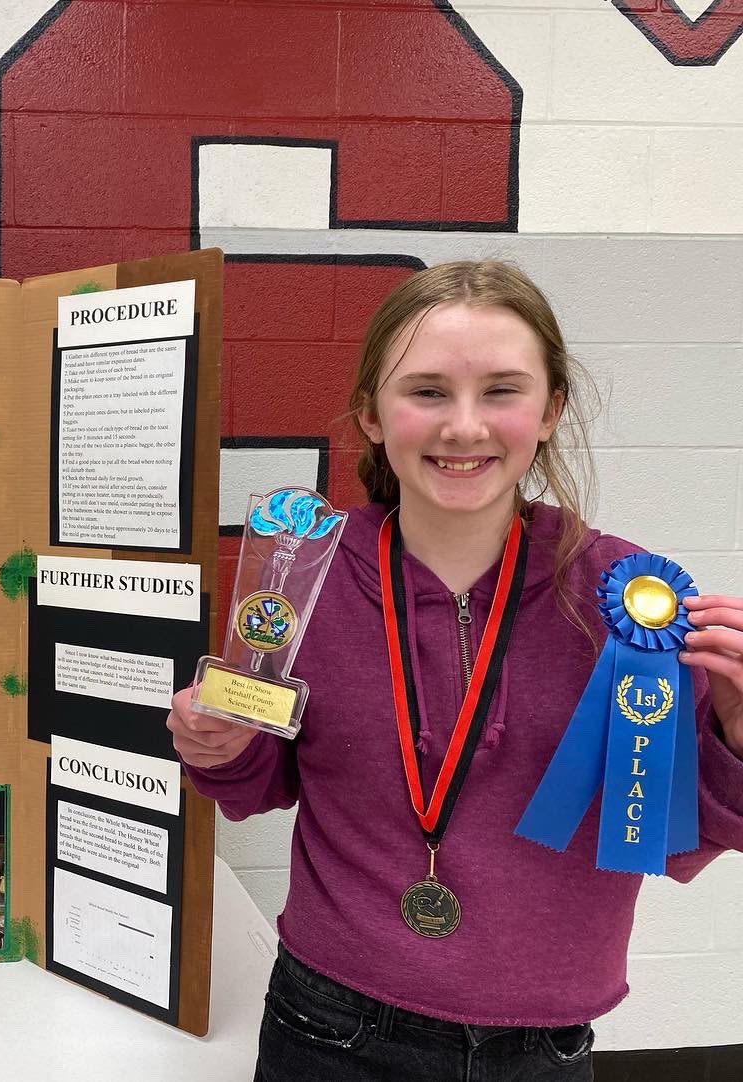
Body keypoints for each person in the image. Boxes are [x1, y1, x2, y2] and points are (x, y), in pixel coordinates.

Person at [167, 261, 743, 1081]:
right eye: (428, 391)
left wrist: (735, 741)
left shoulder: (632, 604)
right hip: (330, 1025)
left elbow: (674, 844)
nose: (465, 427)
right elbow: (260, 783)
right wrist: (217, 746)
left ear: (551, 410)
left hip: (541, 1045)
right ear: (372, 415)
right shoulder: (306, 577)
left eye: (501, 391)